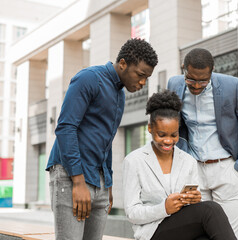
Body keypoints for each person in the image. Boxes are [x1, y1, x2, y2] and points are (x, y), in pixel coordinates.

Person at [46, 38, 158, 240]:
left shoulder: (120, 95)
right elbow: (65, 128)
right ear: (123, 63)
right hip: (72, 176)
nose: (142, 83)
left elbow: (106, 141)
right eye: (140, 75)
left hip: (99, 182)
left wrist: (108, 184)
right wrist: (78, 182)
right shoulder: (89, 78)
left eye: (146, 78)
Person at [167, 48, 238, 239]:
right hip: (193, 172)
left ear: (212, 72)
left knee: (226, 234)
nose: (196, 86)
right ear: (184, 70)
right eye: (191, 79)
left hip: (227, 169)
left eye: (203, 81)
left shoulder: (232, 86)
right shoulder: (174, 84)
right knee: (197, 233)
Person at [123, 90, 237, 240]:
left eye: (174, 135)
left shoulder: (188, 161)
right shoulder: (134, 161)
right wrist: (164, 208)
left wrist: (195, 200)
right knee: (211, 209)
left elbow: (191, 211)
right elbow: (132, 213)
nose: (168, 141)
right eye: (162, 135)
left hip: (182, 228)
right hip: (152, 232)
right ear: (150, 128)